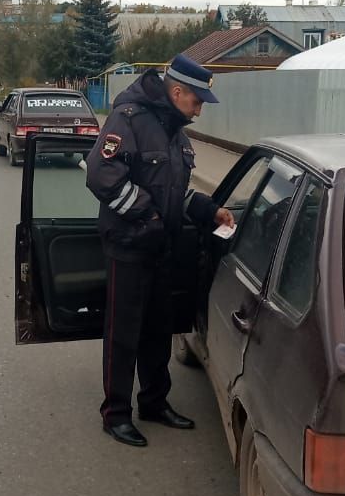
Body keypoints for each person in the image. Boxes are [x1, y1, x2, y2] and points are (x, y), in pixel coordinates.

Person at [85, 54, 235, 447]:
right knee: (123, 334)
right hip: (130, 246)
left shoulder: (175, 133)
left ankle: (154, 402)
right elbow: (101, 176)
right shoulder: (130, 119)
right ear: (177, 90)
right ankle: (115, 413)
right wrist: (148, 218)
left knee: (158, 331)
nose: (199, 110)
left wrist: (208, 210)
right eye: (196, 101)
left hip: (160, 248)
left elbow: (173, 192)